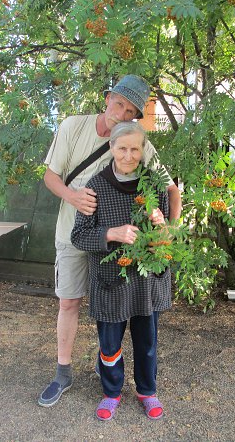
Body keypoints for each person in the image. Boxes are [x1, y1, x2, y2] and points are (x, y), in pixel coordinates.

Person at [39, 75, 181, 407]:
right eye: (119, 104)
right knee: (69, 302)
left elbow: (170, 190)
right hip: (74, 232)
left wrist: (169, 231)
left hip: (120, 246)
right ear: (107, 98)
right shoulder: (73, 127)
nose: (122, 114)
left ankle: (116, 374)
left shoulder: (134, 139)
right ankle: (62, 374)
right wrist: (73, 197)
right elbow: (50, 176)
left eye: (131, 111)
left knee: (116, 308)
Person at [70, 121, 170, 421]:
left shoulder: (154, 184)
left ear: (143, 150)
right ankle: (111, 392)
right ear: (111, 147)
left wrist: (161, 227)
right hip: (110, 281)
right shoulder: (95, 187)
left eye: (135, 149)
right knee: (110, 344)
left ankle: (147, 391)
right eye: (122, 148)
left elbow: (167, 239)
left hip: (145, 281)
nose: (128, 155)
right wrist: (112, 233)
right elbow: (78, 237)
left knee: (147, 342)